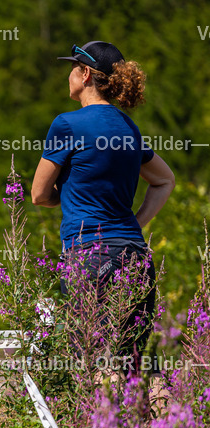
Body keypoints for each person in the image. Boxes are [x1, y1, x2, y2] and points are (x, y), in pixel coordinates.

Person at [31, 41, 175, 374]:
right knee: (130, 369)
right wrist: (135, 224)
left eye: (72, 67)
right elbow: (164, 180)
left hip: (88, 257)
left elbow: (38, 194)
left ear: (85, 74)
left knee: (89, 368)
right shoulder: (128, 128)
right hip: (135, 256)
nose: (68, 74)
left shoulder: (67, 125)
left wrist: (63, 194)